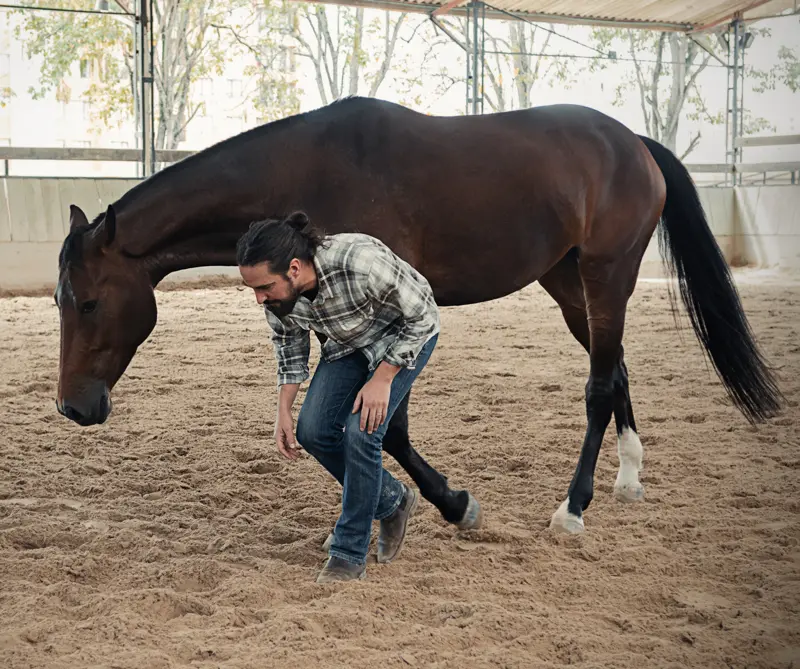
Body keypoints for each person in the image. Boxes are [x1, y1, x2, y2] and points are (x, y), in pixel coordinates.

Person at [236, 211, 441, 583]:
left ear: (294, 269)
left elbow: (423, 316)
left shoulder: (360, 261)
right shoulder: (279, 301)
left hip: (404, 337)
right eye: (253, 289)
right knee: (313, 431)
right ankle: (392, 501)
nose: (258, 299)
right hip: (349, 343)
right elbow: (289, 347)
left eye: (264, 287)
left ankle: (349, 551)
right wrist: (283, 410)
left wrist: (383, 378)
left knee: (363, 432)